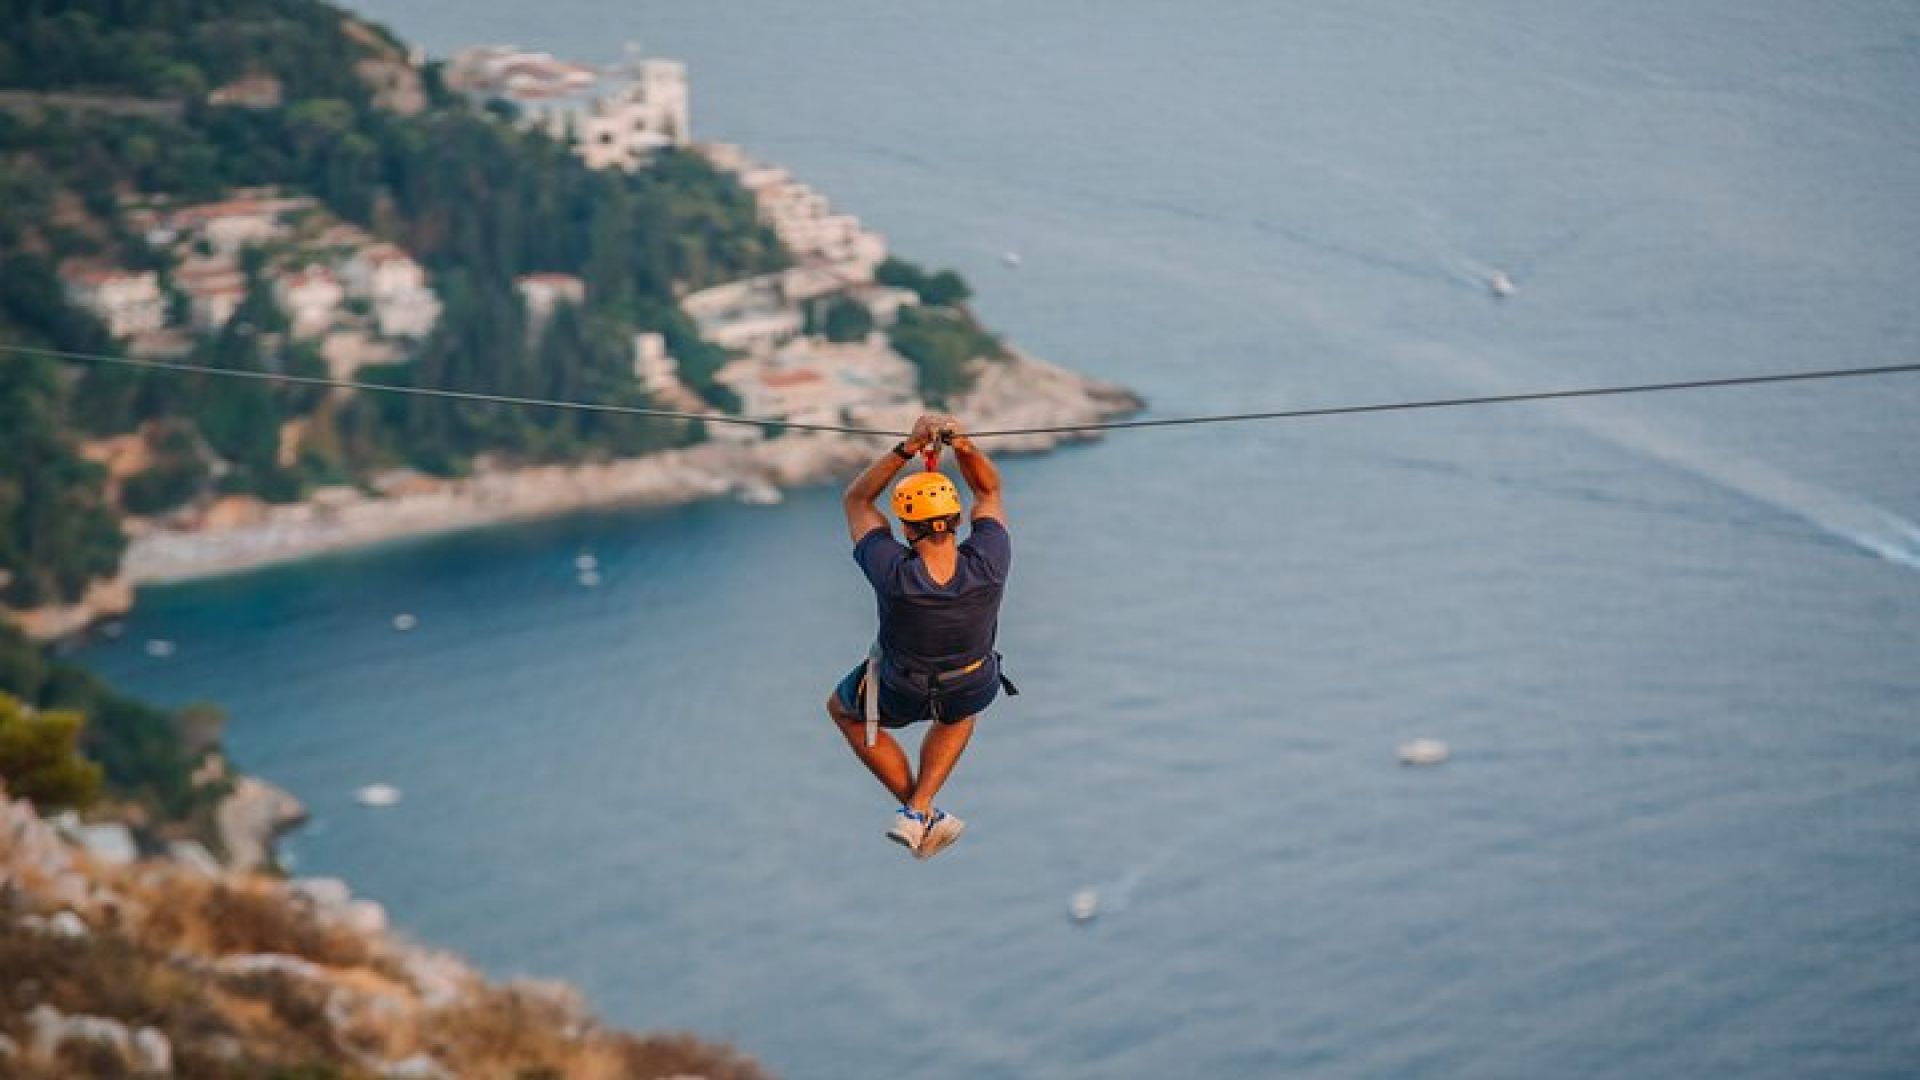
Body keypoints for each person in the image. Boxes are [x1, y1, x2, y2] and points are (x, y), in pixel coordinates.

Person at [829, 412, 1015, 860]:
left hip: (903, 686)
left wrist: (907, 449)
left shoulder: (893, 571)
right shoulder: (990, 559)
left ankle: (919, 811)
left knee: (843, 710)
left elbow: (857, 500)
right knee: (959, 710)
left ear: (906, 528)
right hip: (971, 682)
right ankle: (918, 808)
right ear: (955, 518)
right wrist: (964, 446)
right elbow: (988, 490)